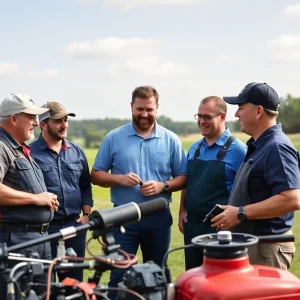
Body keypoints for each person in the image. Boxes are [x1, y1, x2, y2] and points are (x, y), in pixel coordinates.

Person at [91, 86, 187, 298]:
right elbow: (96, 174)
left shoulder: (171, 139)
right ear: (131, 107)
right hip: (122, 219)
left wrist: (164, 186)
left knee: (157, 276)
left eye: (149, 109)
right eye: (140, 109)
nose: (144, 114)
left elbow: (184, 177)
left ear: (157, 108)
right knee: (119, 276)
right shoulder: (114, 137)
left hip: (158, 218)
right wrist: (119, 179)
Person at [211, 82, 300, 270]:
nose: (236, 114)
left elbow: (292, 199)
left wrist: (240, 213)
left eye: (241, 108)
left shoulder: (276, 147)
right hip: (258, 246)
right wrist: (234, 209)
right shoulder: (261, 144)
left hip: (266, 249)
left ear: (258, 111)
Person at [178, 96, 247, 270]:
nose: (201, 121)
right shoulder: (194, 148)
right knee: (194, 280)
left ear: (222, 117)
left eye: (207, 117)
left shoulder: (239, 151)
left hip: (221, 231)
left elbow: (247, 193)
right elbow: (188, 181)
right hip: (192, 227)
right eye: (199, 116)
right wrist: (181, 210)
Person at [0, 94, 59, 296]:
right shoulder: (2, 147)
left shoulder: (20, 149)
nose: (36, 122)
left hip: (38, 239)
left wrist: (46, 201)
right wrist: (37, 199)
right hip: (16, 240)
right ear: (13, 118)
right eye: (31, 117)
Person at [30, 101, 93, 281]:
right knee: (44, 285)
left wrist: (87, 214)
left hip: (75, 227)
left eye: (66, 120)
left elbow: (85, 185)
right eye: (58, 121)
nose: (64, 125)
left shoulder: (77, 151)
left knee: (72, 285)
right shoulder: (30, 153)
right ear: (43, 124)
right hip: (44, 231)